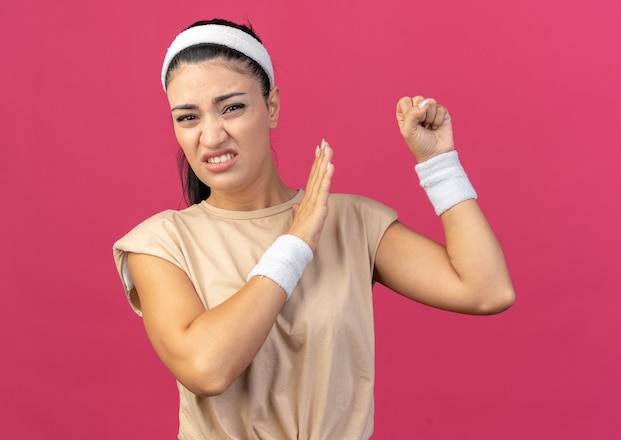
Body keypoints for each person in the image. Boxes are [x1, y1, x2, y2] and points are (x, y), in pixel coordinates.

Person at [113, 18, 515, 440]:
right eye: (188, 117)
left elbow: (487, 290)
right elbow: (207, 369)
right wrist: (295, 243)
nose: (211, 136)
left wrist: (439, 164)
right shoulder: (159, 244)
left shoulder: (349, 222)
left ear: (271, 107)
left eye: (232, 107)